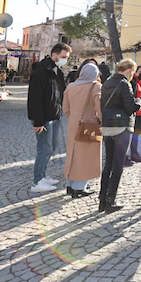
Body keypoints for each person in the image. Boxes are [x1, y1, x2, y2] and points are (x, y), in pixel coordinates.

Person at [99, 58, 141, 212]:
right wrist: (139, 102)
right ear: (129, 70)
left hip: (108, 126)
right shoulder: (124, 84)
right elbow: (130, 107)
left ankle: (102, 199)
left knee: (108, 164)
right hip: (122, 127)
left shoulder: (107, 82)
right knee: (118, 164)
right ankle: (111, 200)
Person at [27, 43, 71, 194]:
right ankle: (37, 181)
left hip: (54, 116)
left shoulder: (57, 71)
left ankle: (43, 176)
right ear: (54, 55)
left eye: (66, 57)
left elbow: (61, 93)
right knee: (44, 149)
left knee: (51, 147)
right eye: (63, 57)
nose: (65, 60)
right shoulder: (40, 72)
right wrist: (38, 121)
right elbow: (35, 98)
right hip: (44, 118)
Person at [62, 63, 101, 198]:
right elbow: (100, 109)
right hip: (90, 125)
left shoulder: (71, 86)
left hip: (73, 123)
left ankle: (70, 184)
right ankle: (79, 187)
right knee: (86, 156)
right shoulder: (96, 87)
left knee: (72, 154)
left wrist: (74, 118)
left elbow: (65, 108)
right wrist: (101, 122)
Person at [125, 65, 141, 165]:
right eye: (140, 72)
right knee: (129, 135)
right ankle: (125, 156)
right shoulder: (132, 82)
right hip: (133, 112)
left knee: (136, 134)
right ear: (135, 72)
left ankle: (134, 153)